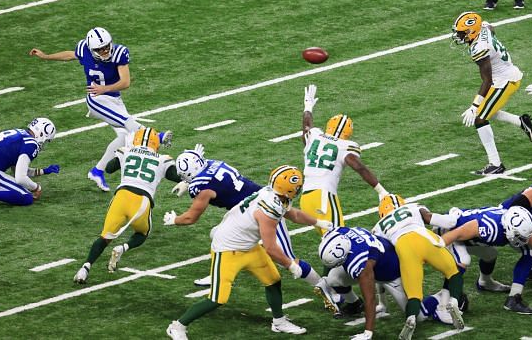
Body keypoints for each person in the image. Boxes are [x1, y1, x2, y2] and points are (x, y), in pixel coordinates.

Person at [166, 166, 333, 339]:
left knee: (273, 280)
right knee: (217, 298)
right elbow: (270, 247)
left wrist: (318, 222)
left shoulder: (274, 194)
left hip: (248, 245)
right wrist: (290, 265)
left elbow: (294, 215)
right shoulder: (269, 208)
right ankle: (177, 326)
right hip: (228, 248)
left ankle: (279, 321)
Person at [29, 27, 172, 192]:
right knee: (128, 123)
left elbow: (125, 82)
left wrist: (106, 88)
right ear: (91, 49)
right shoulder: (84, 48)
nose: (105, 51)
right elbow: (70, 55)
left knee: (125, 136)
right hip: (96, 99)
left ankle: (97, 171)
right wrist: (46, 56)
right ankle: (157, 136)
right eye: (100, 49)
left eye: (106, 46)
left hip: (113, 98)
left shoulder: (119, 53)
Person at [318, 226, 463, 340]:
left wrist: (368, 333)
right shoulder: (339, 234)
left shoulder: (363, 264)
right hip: (378, 258)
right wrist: (324, 280)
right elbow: (331, 259)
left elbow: (370, 300)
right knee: (333, 279)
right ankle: (355, 304)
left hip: (393, 274)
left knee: (419, 316)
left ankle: (439, 297)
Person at [73, 127, 178, 284]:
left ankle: (85, 268)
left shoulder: (126, 151)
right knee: (142, 233)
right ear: (156, 143)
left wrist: (126, 152)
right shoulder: (163, 158)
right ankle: (123, 248)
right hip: (142, 201)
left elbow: (109, 169)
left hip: (121, 197)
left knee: (105, 237)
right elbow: (176, 176)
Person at [436, 205, 532, 315]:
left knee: (490, 254)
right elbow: (455, 234)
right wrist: (431, 250)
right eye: (521, 237)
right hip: (448, 233)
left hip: (468, 238)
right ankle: (445, 300)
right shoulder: (489, 228)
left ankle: (485, 283)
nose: (525, 240)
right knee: (464, 260)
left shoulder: (512, 225)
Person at [452, 12, 532, 175]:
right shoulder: (483, 28)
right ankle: (521, 122)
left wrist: (473, 105)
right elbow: (491, 28)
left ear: (471, 32)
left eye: (462, 32)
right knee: (486, 109)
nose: (458, 35)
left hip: (505, 81)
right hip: (503, 76)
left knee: (480, 117)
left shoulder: (479, 48)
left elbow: (487, 81)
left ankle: (495, 164)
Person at [372, 194, 465, 340]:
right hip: (425, 238)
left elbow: (382, 256)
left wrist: (382, 301)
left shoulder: (378, 228)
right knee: (453, 272)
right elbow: (447, 223)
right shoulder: (413, 207)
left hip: (405, 248)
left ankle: (411, 318)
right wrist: (454, 214)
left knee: (414, 294)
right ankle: (453, 302)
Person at [300, 84, 389, 234]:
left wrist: (308, 107)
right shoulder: (345, 146)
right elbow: (358, 166)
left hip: (306, 198)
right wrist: (381, 191)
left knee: (329, 239)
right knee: (338, 237)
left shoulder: (314, 135)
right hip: (324, 196)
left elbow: (307, 127)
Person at [0, 117, 59, 207]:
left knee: (22, 189)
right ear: (42, 133)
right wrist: (37, 188)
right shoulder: (31, 144)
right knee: (26, 197)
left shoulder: (20, 132)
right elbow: (20, 178)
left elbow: (18, 170)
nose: (44, 143)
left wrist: (44, 171)